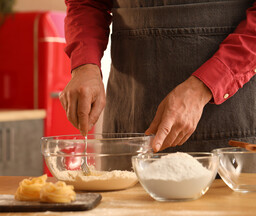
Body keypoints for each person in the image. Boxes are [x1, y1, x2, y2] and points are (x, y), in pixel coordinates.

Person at [59, 0, 256, 153]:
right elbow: (85, 3)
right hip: (130, 112)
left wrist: (204, 87)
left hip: (231, 117)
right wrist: (85, 66)